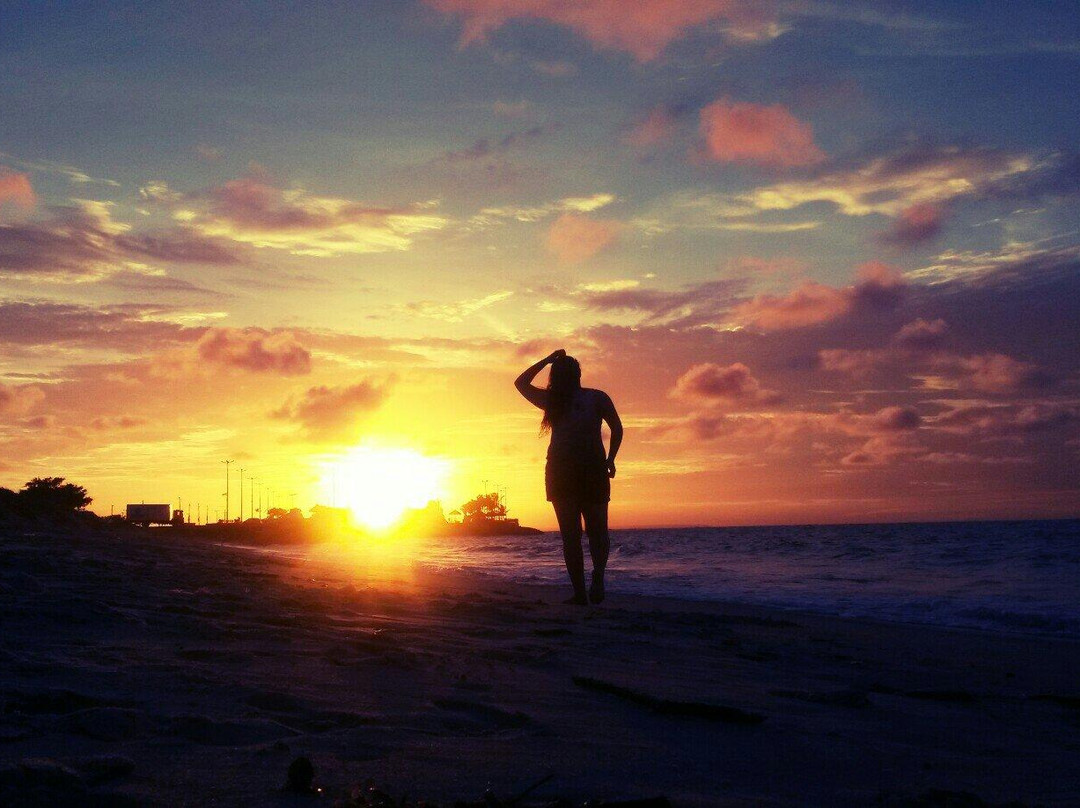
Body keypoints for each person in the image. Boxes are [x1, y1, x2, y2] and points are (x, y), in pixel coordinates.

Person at [515, 349, 623, 605]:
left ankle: (581, 593)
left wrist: (547, 359)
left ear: (555, 376)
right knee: (598, 531)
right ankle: (597, 578)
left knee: (571, 536)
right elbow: (617, 428)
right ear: (578, 375)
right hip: (591, 468)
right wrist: (611, 458)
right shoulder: (595, 397)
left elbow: (520, 383)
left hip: (563, 471)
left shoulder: (553, 400)